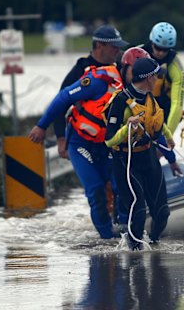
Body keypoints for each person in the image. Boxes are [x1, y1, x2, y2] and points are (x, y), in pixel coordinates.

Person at [29, 61, 124, 239]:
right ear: (124, 69)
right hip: (81, 143)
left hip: (107, 145)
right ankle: (107, 239)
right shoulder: (98, 81)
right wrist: (43, 126)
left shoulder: (136, 90)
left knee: (120, 188)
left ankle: (125, 234)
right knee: (96, 191)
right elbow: (63, 97)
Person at [104, 57, 173, 250]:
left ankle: (153, 246)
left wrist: (168, 137)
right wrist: (128, 127)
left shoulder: (150, 97)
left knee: (162, 212)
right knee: (139, 211)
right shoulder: (119, 101)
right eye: (156, 76)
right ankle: (134, 253)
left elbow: (157, 120)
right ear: (148, 78)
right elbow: (109, 140)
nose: (158, 80)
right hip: (127, 162)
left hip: (149, 158)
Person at [54, 24, 128, 159]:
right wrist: (61, 139)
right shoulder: (80, 71)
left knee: (113, 180)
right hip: (85, 139)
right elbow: (59, 105)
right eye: (114, 47)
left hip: (112, 141)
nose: (118, 50)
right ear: (99, 46)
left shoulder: (121, 67)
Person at [119, 47, 182, 177]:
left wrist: (172, 159)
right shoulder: (116, 92)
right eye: (136, 71)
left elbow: (156, 128)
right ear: (125, 69)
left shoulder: (145, 97)